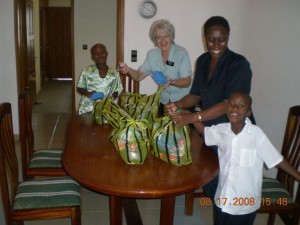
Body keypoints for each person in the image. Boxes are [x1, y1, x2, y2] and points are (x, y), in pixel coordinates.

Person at [173, 92, 300, 225]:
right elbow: (205, 132)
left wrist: (298, 176)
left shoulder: (256, 134)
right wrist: (188, 114)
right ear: (227, 109)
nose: (234, 108)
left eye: (240, 106)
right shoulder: (222, 130)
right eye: (231, 105)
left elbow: (276, 159)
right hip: (223, 198)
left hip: (244, 204)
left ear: (248, 112)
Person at [164, 16, 255, 200]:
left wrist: (194, 118)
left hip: (234, 134)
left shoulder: (239, 64)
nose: (215, 44)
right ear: (204, 37)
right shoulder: (203, 60)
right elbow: (196, 94)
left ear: (228, 37)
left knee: (229, 185)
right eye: (210, 39)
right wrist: (178, 104)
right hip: (210, 130)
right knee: (212, 179)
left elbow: (228, 104)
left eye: (221, 39)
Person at [118, 19, 192, 112]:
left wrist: (171, 82)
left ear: (171, 37)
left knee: (180, 126)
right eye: (158, 37)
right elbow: (139, 76)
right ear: (154, 39)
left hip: (182, 101)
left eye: (166, 36)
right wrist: (128, 69)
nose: (162, 40)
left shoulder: (181, 53)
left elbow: (187, 81)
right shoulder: (152, 55)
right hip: (164, 101)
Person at [77, 43, 123, 115]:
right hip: (88, 108)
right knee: (87, 126)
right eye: (96, 54)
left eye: (102, 52)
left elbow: (118, 89)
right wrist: (88, 93)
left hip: (107, 108)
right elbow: (79, 87)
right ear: (92, 57)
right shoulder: (87, 70)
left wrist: (110, 100)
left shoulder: (114, 72)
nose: (100, 55)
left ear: (107, 54)